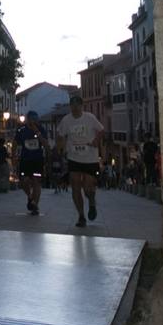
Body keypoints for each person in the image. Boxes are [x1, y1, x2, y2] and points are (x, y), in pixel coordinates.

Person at [56, 94, 105, 228]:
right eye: (73, 105)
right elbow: (60, 135)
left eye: (78, 105)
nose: (75, 108)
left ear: (81, 106)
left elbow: (101, 130)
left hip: (90, 158)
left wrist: (96, 141)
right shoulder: (66, 120)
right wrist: (60, 147)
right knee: (76, 187)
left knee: (88, 188)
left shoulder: (89, 118)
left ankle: (92, 202)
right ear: (70, 106)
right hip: (74, 157)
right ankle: (81, 216)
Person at [13, 111, 48, 215]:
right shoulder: (21, 130)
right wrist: (13, 156)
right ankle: (30, 196)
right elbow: (15, 142)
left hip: (37, 159)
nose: (34, 121)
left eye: (35, 119)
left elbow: (45, 143)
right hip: (25, 159)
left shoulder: (41, 129)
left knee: (36, 181)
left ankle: (35, 205)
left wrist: (37, 131)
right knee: (23, 181)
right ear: (28, 119)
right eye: (32, 119)